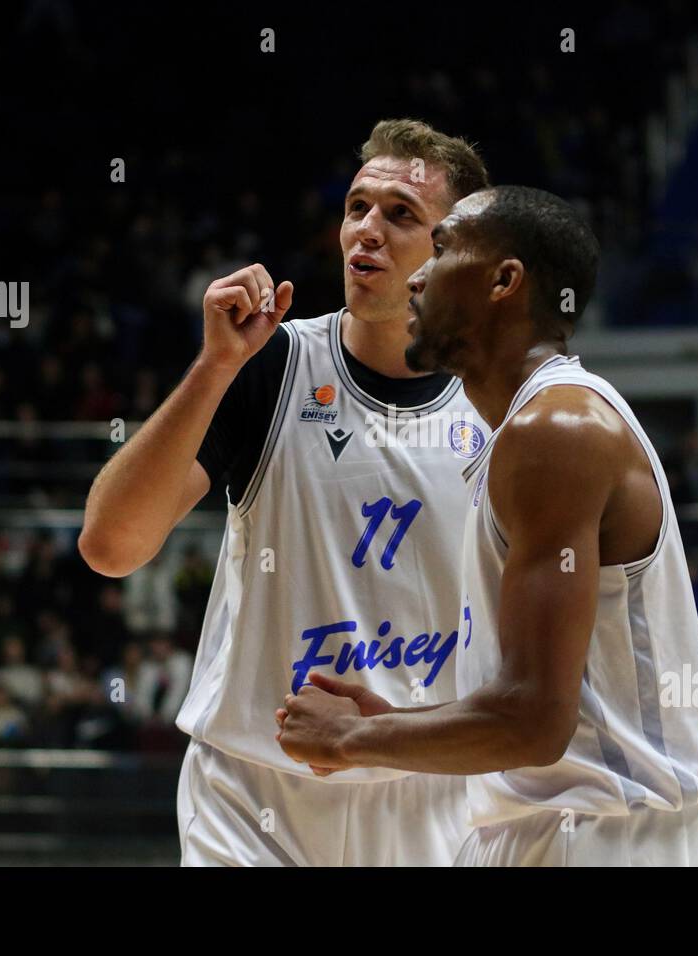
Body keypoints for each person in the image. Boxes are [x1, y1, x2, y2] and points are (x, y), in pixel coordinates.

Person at [79, 119, 491, 866]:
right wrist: (212, 368)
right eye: (357, 207)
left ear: (455, 251)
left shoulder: (502, 408)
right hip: (250, 794)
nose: (366, 230)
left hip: (428, 797)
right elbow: (110, 547)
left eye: (401, 215)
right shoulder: (270, 367)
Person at [276, 186, 698, 865]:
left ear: (505, 281)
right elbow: (525, 707)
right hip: (558, 828)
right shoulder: (529, 430)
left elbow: (535, 721)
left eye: (444, 248)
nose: (418, 273)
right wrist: (386, 721)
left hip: (595, 836)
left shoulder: (556, 430)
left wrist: (351, 740)